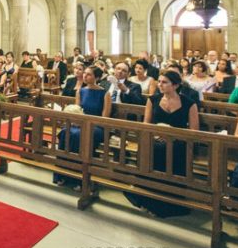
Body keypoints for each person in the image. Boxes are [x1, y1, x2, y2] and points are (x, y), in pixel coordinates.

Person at [124, 71, 199, 217]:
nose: (160, 85)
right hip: (156, 138)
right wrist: (157, 134)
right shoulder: (153, 100)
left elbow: (194, 131)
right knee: (152, 148)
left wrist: (173, 135)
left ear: (176, 85)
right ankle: (148, 198)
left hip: (179, 141)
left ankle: (169, 201)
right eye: (159, 81)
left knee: (172, 150)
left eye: (164, 82)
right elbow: (146, 124)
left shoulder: (189, 103)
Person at [53, 66, 110, 187]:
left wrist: (87, 123)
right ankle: (62, 174)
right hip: (80, 124)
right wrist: (76, 121)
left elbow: (104, 118)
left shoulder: (105, 94)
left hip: (97, 126)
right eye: (85, 73)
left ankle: (78, 178)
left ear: (97, 77)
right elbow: (76, 110)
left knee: (77, 135)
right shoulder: (81, 91)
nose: (85, 76)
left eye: (89, 74)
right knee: (65, 131)